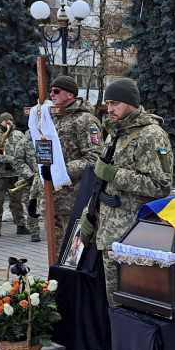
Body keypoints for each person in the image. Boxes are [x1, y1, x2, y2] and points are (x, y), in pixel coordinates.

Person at [82, 77, 173, 350]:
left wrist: (116, 174)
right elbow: (102, 183)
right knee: (115, 302)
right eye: (107, 103)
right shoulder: (115, 135)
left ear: (131, 103)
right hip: (109, 234)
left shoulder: (151, 135)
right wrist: (90, 215)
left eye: (115, 102)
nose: (109, 108)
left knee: (136, 303)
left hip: (135, 234)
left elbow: (161, 186)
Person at [41, 74, 101, 251]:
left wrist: (62, 171)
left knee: (74, 254)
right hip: (52, 200)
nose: (51, 94)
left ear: (70, 94)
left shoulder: (84, 120)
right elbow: (43, 161)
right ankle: (57, 280)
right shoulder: (50, 119)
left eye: (56, 91)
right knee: (55, 252)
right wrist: (34, 195)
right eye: (50, 91)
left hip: (73, 201)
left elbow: (94, 158)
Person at [0, 112, 31, 239]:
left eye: (10, 120)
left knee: (17, 202)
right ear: (0, 122)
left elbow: (25, 150)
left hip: (16, 174)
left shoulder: (18, 135)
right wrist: (9, 159)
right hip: (0, 176)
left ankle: (21, 225)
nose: (8, 122)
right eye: (5, 120)